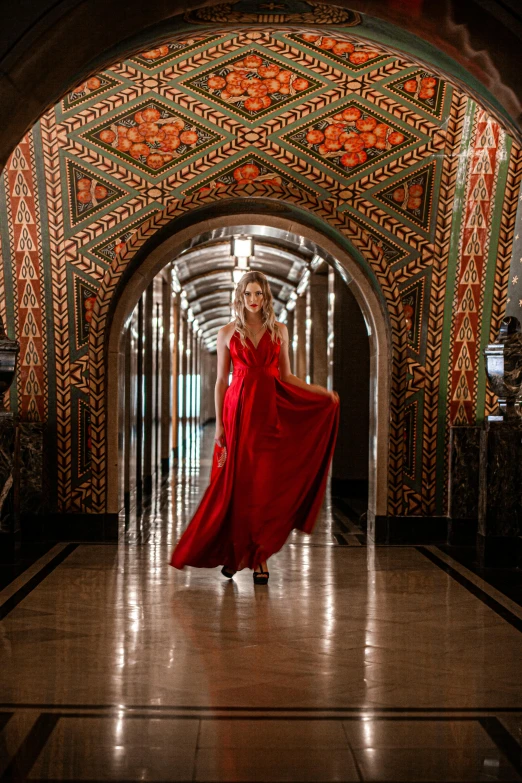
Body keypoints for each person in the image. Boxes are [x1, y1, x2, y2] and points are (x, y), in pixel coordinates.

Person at [170, 270, 340, 584]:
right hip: (237, 415)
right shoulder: (226, 333)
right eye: (248, 294)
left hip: (269, 417)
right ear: (240, 297)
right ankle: (235, 555)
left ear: (266, 297)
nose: (253, 300)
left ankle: (258, 556)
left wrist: (321, 393)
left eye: (258, 294)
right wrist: (220, 424)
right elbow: (222, 381)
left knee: (263, 489)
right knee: (235, 489)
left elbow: (287, 377)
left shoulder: (280, 331)